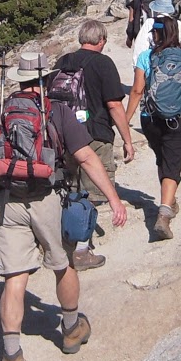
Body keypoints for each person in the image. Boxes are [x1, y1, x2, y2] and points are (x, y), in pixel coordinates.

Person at [0, 52, 128, 361]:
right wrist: (114, 199)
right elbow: (85, 157)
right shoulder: (55, 111)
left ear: (17, 79)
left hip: (9, 202)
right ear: (44, 79)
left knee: (14, 278)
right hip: (48, 198)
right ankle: (71, 329)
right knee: (63, 264)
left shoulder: (1, 110)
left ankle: (12, 357)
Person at [53, 19, 136, 270]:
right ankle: (81, 250)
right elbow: (114, 105)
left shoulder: (63, 61)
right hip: (95, 135)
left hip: (64, 135)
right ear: (101, 41)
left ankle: (63, 239)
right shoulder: (103, 63)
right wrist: (127, 140)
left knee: (70, 188)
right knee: (91, 193)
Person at [124, 16, 181, 240]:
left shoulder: (146, 57)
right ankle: (165, 212)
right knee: (173, 160)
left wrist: (126, 120)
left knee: (163, 159)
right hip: (178, 118)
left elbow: (137, 90)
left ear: (156, 34)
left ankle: (169, 202)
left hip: (151, 118)